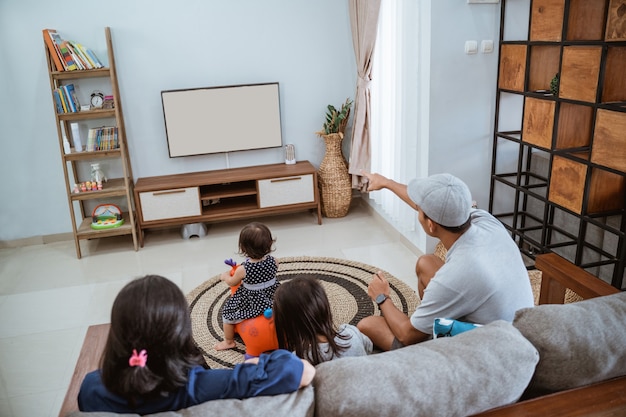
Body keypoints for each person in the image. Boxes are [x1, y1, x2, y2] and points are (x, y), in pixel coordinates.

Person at [78, 275, 315, 414]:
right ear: (180, 334)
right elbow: (299, 370)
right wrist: (255, 362)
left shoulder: (90, 389)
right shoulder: (200, 386)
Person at [357, 172, 534, 351]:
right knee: (426, 263)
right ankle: (426, 325)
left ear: (431, 225)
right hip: (516, 328)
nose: (417, 209)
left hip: (495, 348)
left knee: (368, 325)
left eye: (420, 211)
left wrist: (382, 297)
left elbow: (405, 334)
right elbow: (427, 207)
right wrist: (387, 183)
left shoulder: (458, 273)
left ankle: (425, 348)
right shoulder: (485, 221)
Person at [273, 276, 373, 365]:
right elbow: (369, 348)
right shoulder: (351, 333)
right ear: (325, 307)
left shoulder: (297, 361)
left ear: (287, 324)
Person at [215, 222, 280, 351]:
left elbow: (232, 282)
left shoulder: (243, 269)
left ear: (243, 248)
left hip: (252, 300)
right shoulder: (275, 261)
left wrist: (224, 276)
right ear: (269, 244)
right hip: (274, 296)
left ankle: (228, 341)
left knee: (227, 314)